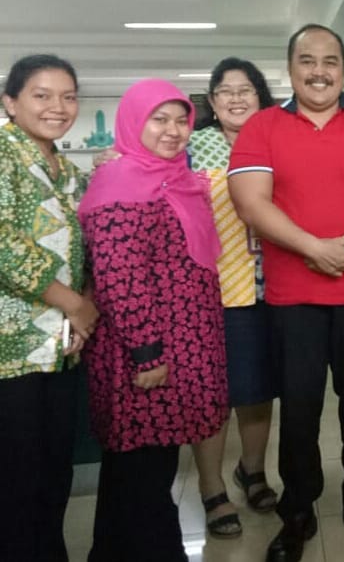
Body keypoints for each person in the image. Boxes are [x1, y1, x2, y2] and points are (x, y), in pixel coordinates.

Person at [228, 24, 344, 562]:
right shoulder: (263, 126)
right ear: (290, 69)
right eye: (307, 60)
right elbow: (251, 202)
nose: (319, 71)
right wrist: (313, 247)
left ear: (342, 68)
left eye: (330, 61)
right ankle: (298, 512)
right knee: (300, 410)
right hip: (294, 299)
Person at [78, 79, 229, 562]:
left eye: (181, 120)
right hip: (144, 356)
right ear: (132, 123)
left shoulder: (172, 178)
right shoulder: (122, 183)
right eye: (158, 119)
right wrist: (147, 354)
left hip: (175, 346)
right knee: (143, 477)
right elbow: (119, 276)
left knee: (140, 472)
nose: (173, 130)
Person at [0, 54, 98, 562]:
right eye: (41, 95)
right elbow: (4, 245)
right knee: (15, 480)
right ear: (10, 102)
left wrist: (84, 308)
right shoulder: (4, 154)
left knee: (54, 471)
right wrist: (74, 303)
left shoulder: (70, 172)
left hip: (60, 348)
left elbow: (85, 249)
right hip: (10, 350)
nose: (57, 107)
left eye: (68, 96)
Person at [188, 57, 278, 538]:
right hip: (211, 290)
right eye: (226, 91)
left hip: (271, 285)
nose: (237, 98)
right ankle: (211, 487)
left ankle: (253, 470)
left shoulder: (276, 140)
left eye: (246, 90)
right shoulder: (190, 146)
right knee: (213, 395)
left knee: (259, 390)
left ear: (260, 97)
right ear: (212, 101)